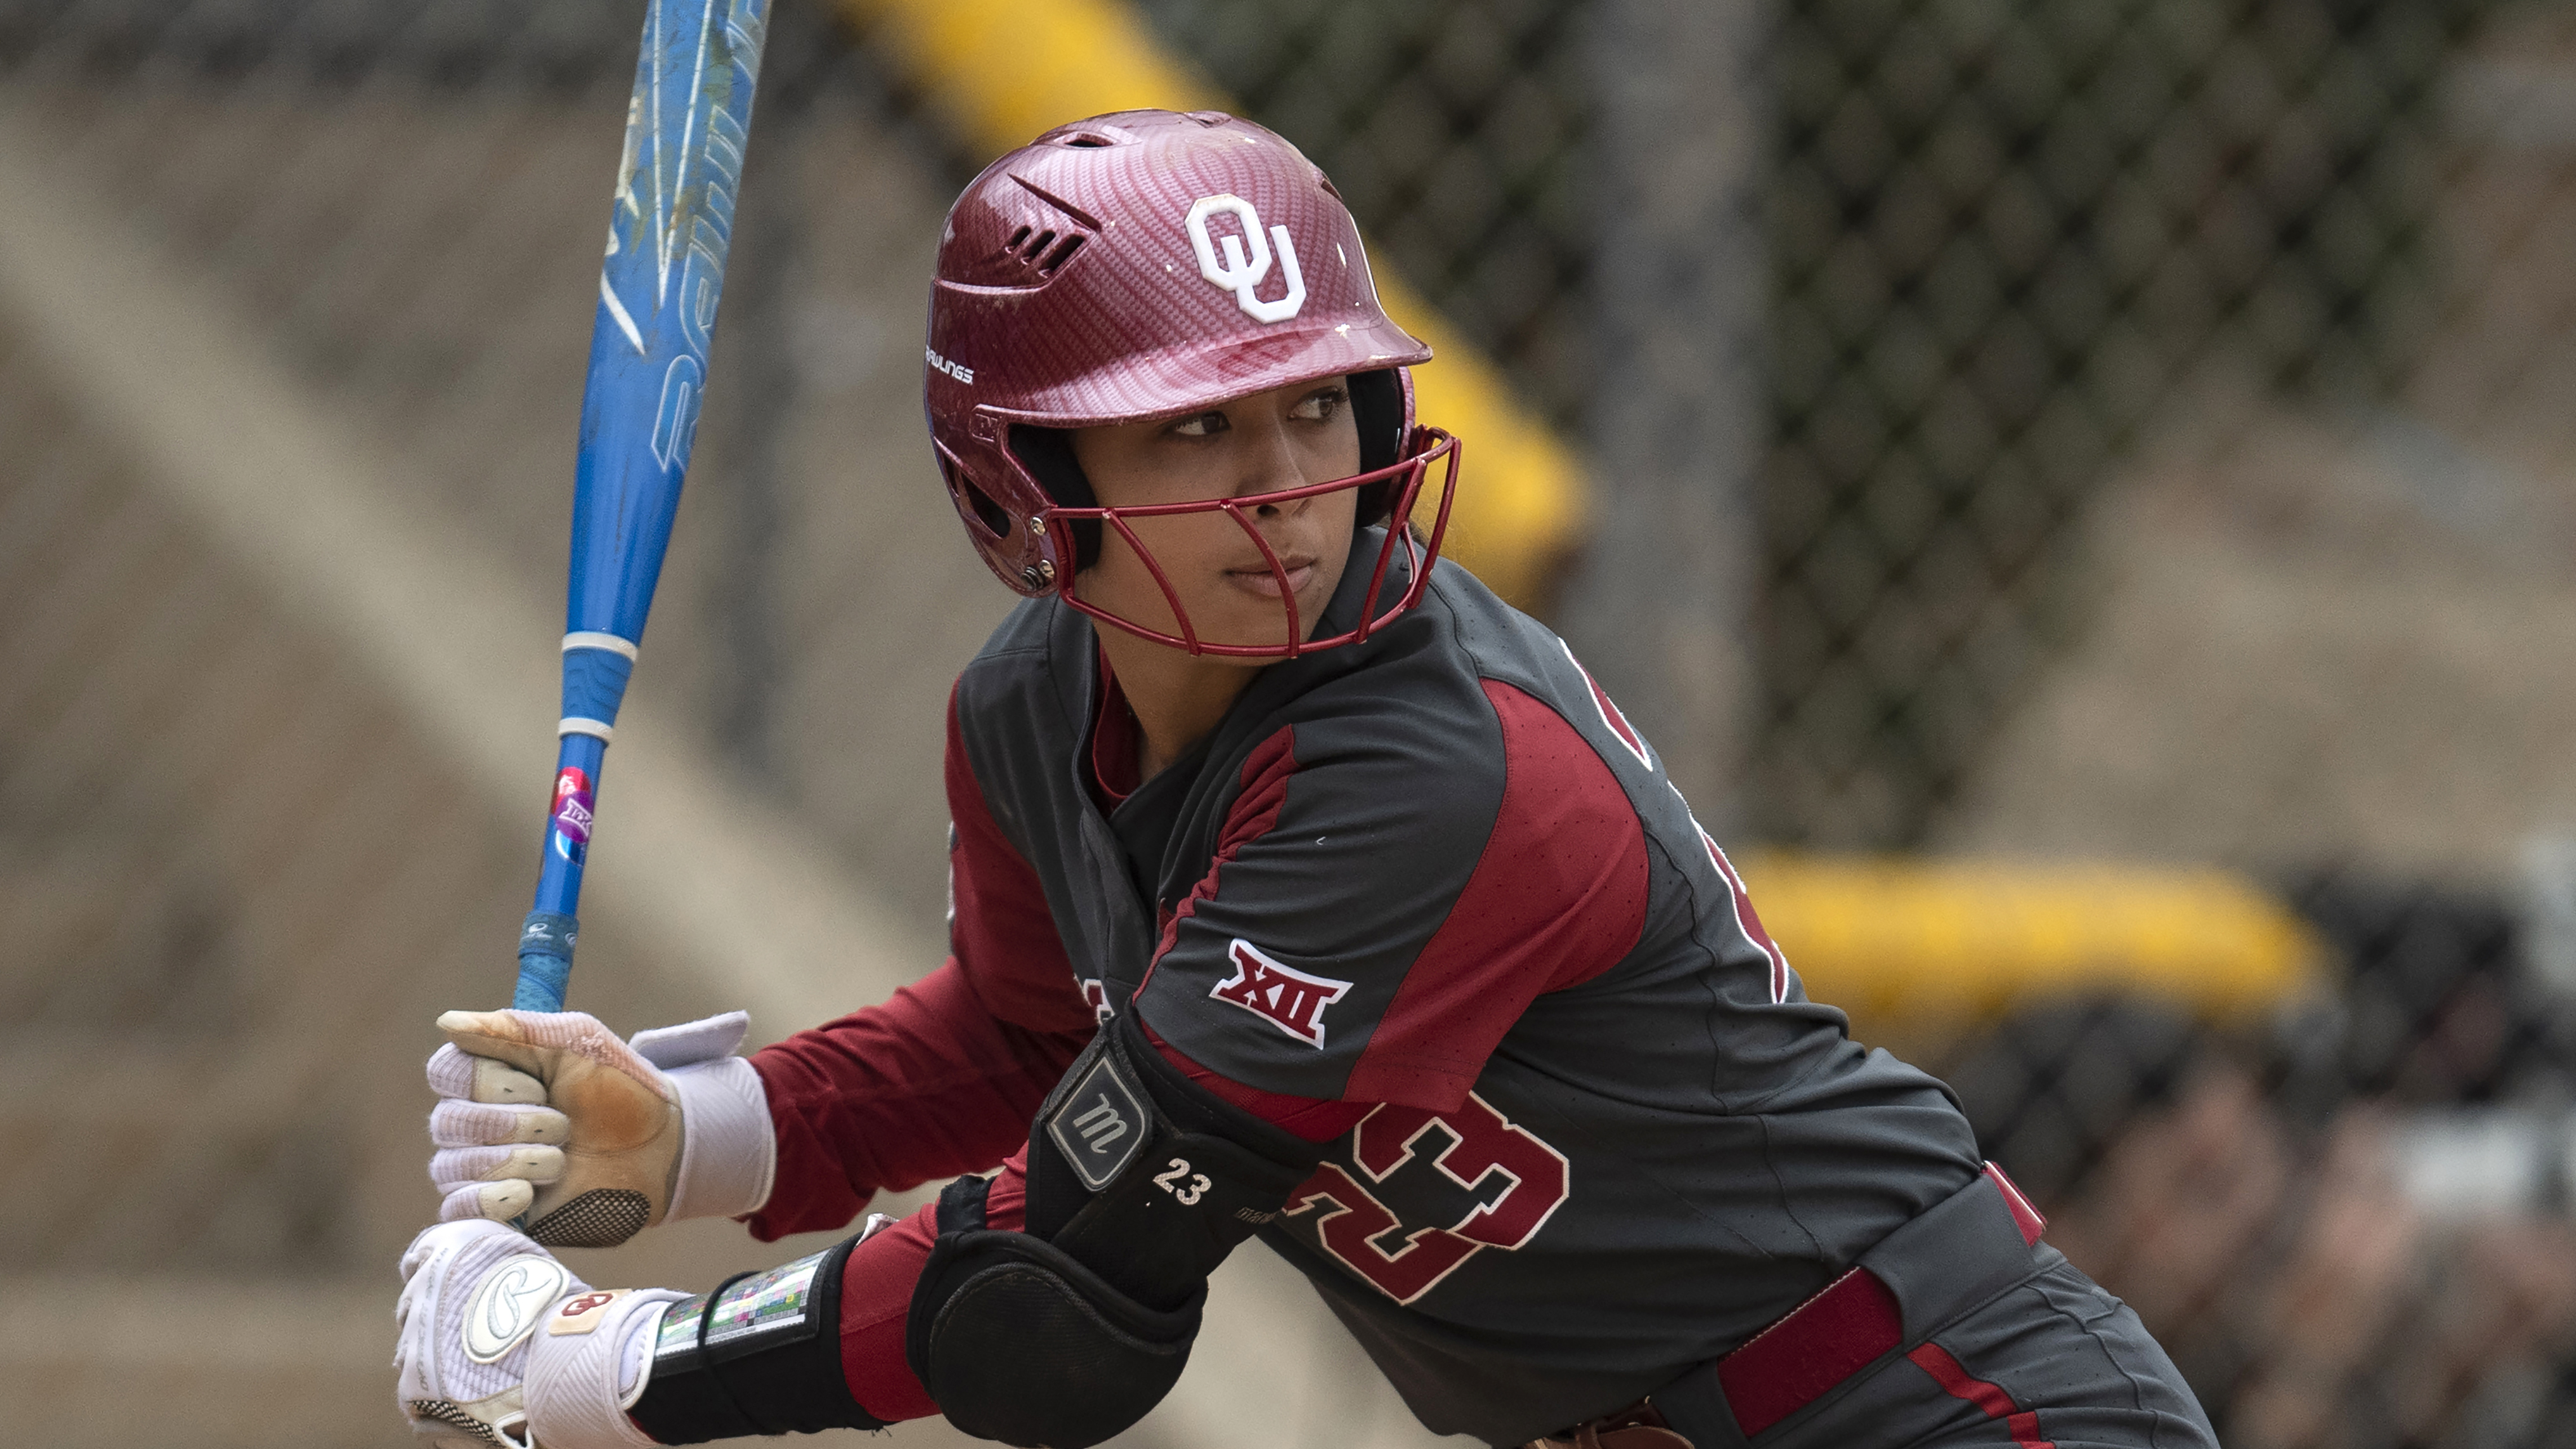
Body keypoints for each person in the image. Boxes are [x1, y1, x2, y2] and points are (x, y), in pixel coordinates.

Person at [393, 110, 2218, 1449]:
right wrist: (705, 1133)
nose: (1283, 481)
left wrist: (596, 1365)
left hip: (1935, 1405)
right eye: (1195, 422)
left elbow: (1064, 1262)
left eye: (1317, 403)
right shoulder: (1030, 706)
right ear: (1015, 478)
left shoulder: (1429, 765)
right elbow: (1037, 1043)